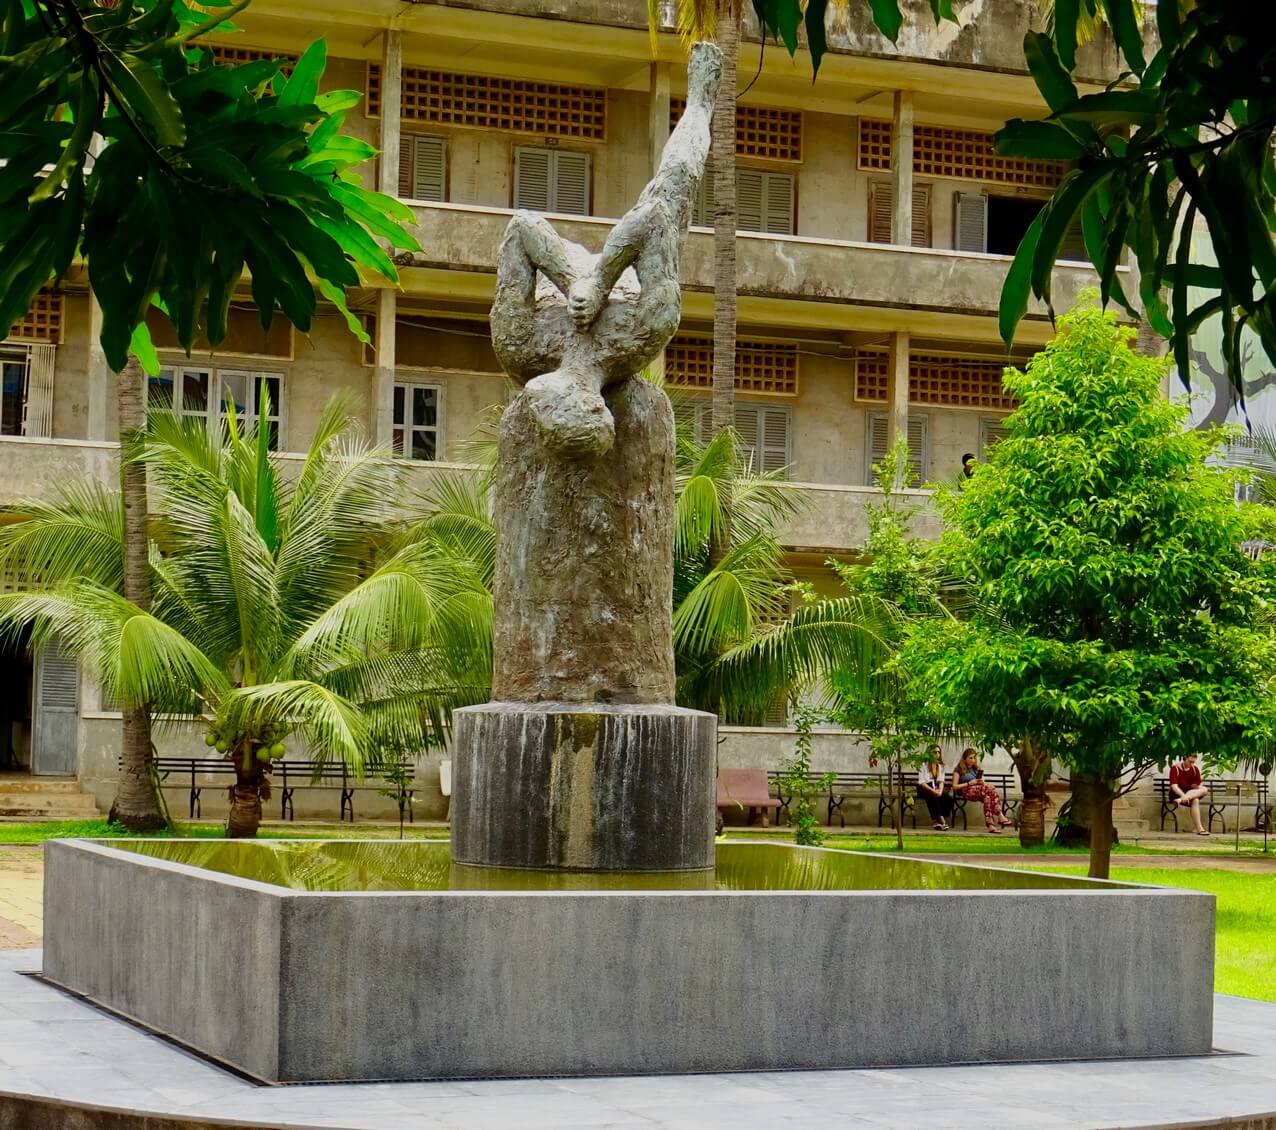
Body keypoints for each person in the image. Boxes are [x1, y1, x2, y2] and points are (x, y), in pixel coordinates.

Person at [952, 748, 1013, 834]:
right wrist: (969, 783)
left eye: (974, 758)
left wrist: (981, 781)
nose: (973, 760)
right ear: (964, 758)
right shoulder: (958, 769)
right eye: (970, 758)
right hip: (966, 791)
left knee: (987, 798)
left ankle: (991, 826)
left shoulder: (976, 768)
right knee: (990, 788)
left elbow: (982, 782)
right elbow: (954, 786)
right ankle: (1000, 815)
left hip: (980, 791)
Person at [1169, 753, 1210, 836]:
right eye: (1190, 761)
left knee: (1204, 790)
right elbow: (1174, 787)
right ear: (1184, 759)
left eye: (1193, 762)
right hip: (1177, 794)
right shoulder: (1175, 768)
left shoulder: (1194, 769)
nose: (1192, 764)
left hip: (1189, 794)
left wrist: (1197, 787)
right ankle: (1200, 829)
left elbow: (1198, 785)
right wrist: (1182, 796)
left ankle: (1199, 829)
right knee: (1195, 800)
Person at [917, 747, 952, 830]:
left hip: (935, 787)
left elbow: (941, 781)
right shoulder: (923, 765)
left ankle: (938, 822)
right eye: (934, 752)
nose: (937, 754)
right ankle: (942, 821)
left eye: (939, 752)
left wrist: (940, 791)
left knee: (947, 798)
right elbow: (922, 782)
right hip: (924, 788)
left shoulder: (940, 766)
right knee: (932, 796)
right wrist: (933, 791)